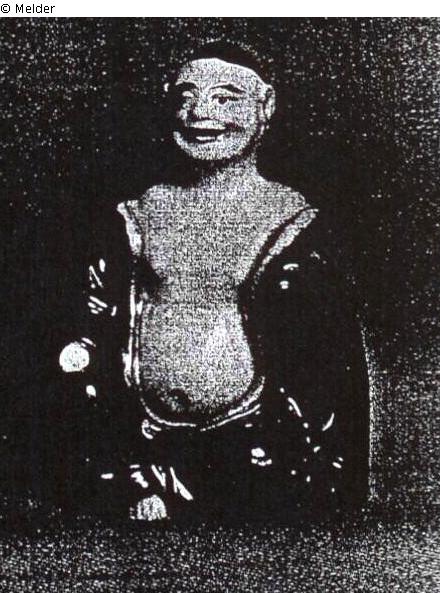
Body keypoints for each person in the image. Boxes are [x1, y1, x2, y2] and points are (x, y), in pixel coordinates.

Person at [59, 42, 370, 523]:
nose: (201, 112)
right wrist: (84, 354)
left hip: (258, 449)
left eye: (225, 98)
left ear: (266, 106)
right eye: (186, 97)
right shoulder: (141, 213)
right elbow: (98, 311)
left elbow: (327, 362)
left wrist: (328, 473)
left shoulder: (294, 220)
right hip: (145, 445)